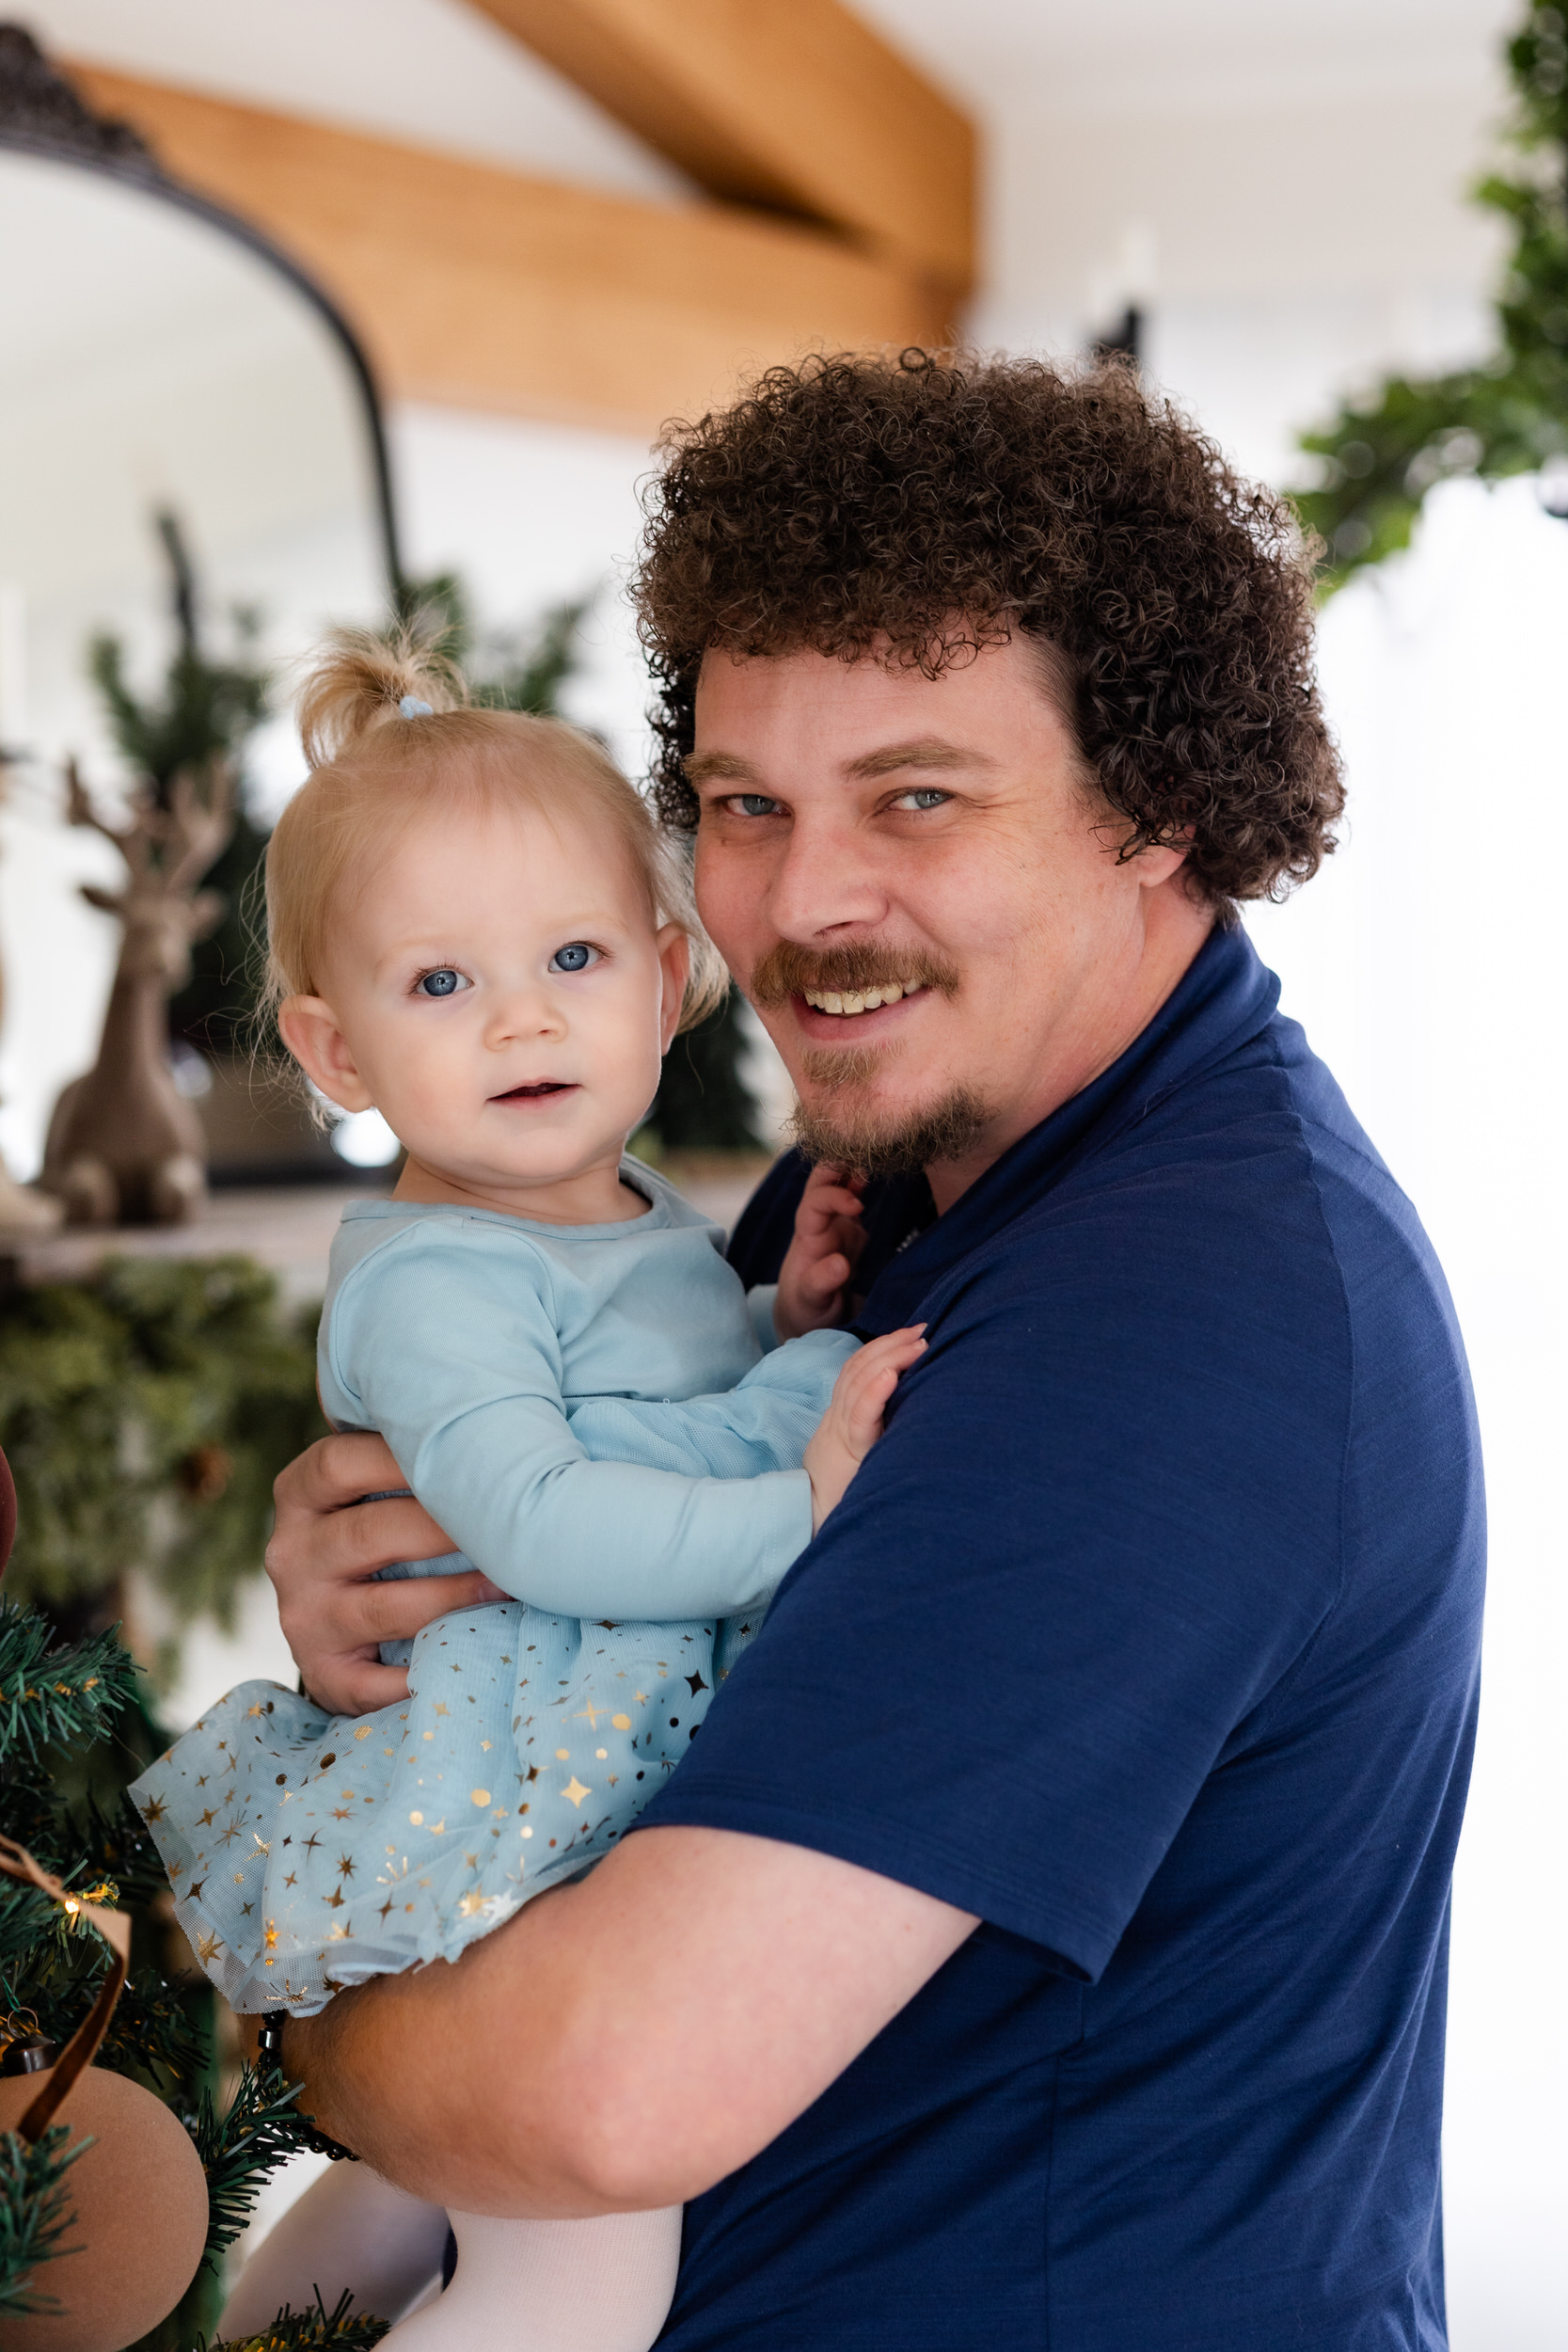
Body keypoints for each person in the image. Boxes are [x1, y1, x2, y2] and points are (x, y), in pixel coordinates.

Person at [260, 354, 1485, 2351]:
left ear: (1155, 802)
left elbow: (600, 2087)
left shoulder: (1172, 1326)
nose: (806, 902)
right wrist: (385, 1583)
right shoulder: (905, 1181)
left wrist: (292, 1964)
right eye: (747, 805)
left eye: (917, 794)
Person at [131, 634, 920, 2351]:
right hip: (521, 1811)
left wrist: (772, 1327)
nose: (522, 1016)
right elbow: (547, 1522)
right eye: (440, 985)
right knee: (581, 2270)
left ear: (663, 975)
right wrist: (807, 1496)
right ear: (334, 1054)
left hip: (569, 1783)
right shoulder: (439, 1284)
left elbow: (650, 1397)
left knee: (426, 2187)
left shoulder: (617, 1210)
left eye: (571, 956)